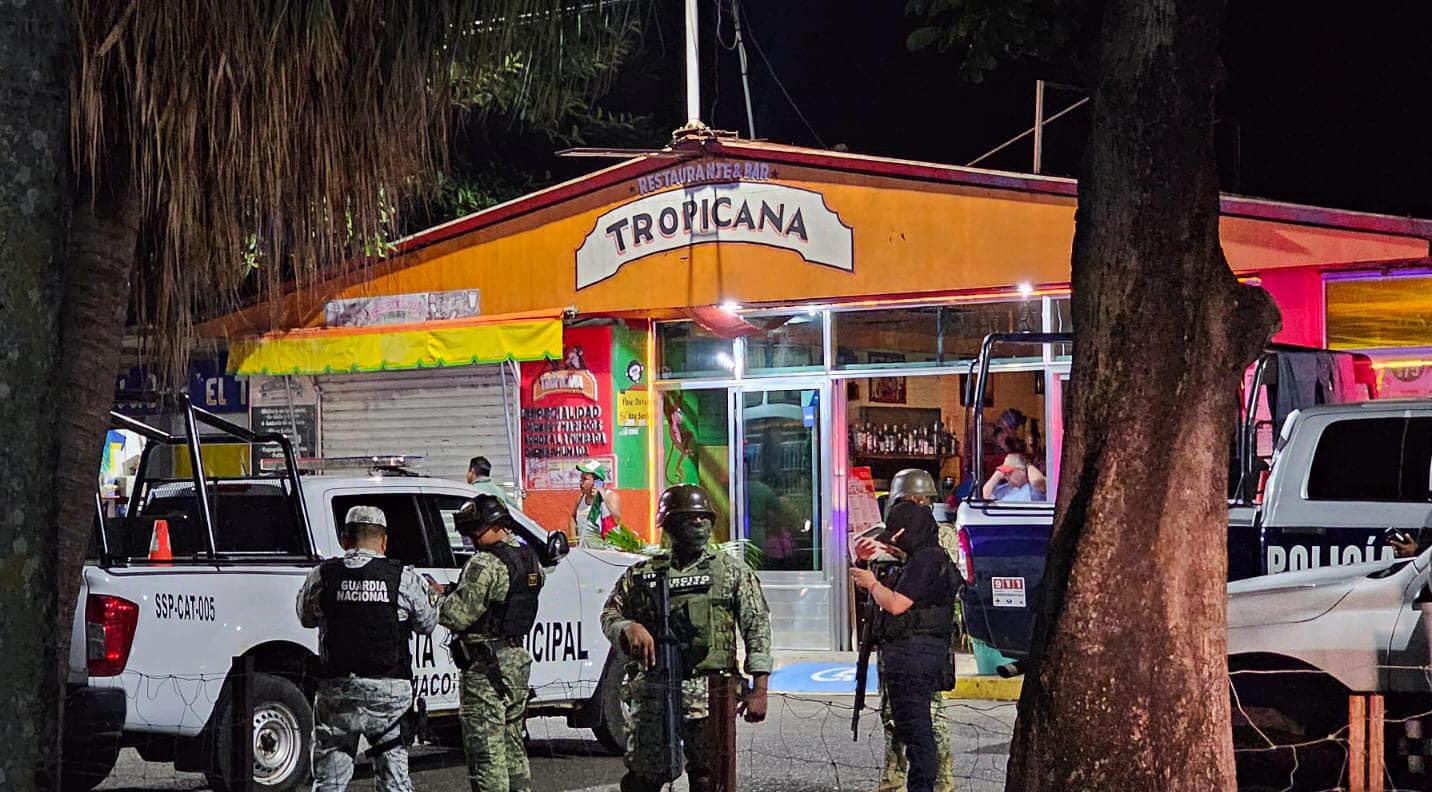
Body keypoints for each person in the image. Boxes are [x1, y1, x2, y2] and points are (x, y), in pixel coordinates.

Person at [600, 484, 773, 792]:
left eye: (704, 517)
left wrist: (759, 689)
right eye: (689, 518)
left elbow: (756, 627)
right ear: (668, 524)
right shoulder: (643, 575)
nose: (699, 523)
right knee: (644, 777)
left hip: (710, 696)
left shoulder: (731, 572)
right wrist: (627, 627)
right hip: (655, 692)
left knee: (709, 778)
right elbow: (610, 615)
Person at [295, 506, 438, 792]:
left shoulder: (323, 575)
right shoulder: (403, 578)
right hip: (389, 695)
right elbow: (427, 624)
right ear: (384, 541)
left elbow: (305, 617)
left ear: (345, 540)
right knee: (394, 782)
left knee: (329, 782)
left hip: (338, 693)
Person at [851, 469, 958, 792]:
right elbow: (873, 581)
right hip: (895, 647)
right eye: (911, 500)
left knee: (927, 728)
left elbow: (902, 597)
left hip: (920, 648)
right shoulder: (895, 537)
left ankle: (937, 784)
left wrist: (874, 582)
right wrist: (864, 562)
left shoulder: (935, 542)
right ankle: (896, 781)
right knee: (898, 722)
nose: (917, 505)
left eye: (922, 501)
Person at [439, 494, 545, 792]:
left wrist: (439, 599)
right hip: (515, 661)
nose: (471, 540)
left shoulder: (484, 563)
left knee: (486, 753)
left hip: (484, 669)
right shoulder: (529, 558)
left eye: (474, 531)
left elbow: (455, 616)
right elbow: (504, 599)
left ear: (492, 524)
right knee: (513, 745)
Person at [569, 459, 621, 543]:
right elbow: (572, 518)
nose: (581, 482)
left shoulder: (610, 496)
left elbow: (616, 519)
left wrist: (601, 495)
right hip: (584, 549)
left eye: (585, 479)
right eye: (581, 479)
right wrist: (573, 539)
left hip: (604, 549)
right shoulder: (581, 497)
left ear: (597, 481)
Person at [981, 453, 1047, 502]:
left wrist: (1027, 464)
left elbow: (1037, 480)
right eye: (1005, 473)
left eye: (1009, 472)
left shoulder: (1032, 489)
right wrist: (997, 475)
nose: (1006, 476)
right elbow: (986, 496)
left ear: (1022, 472)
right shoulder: (1003, 488)